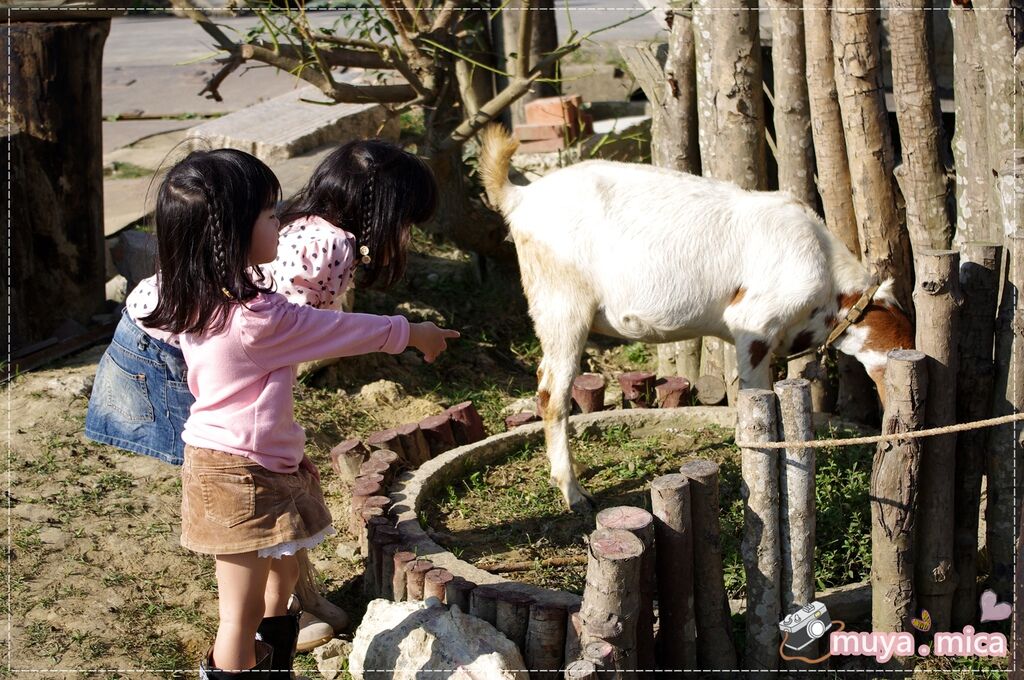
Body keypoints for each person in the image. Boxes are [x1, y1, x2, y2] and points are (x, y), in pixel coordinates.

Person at [84, 139, 441, 653]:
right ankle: (262, 636)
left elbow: (283, 352)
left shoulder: (223, 291)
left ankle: (278, 630)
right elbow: (312, 330)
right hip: (221, 446)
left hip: (247, 438)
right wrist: (409, 331)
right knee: (240, 604)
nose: (282, 222)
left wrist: (288, 448)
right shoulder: (266, 310)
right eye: (270, 214)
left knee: (269, 566)